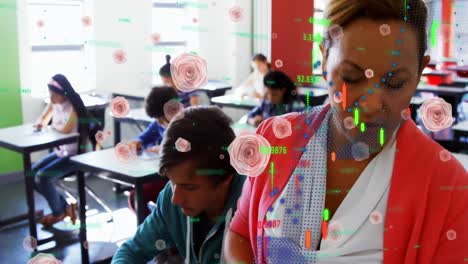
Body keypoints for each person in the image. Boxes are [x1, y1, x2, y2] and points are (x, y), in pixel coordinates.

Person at [224, 0, 467, 263]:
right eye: (351, 78)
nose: (372, 105)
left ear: (420, 72)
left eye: (395, 83)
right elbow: (241, 232)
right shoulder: (276, 138)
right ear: (324, 59)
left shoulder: (448, 187)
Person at [112, 106, 246, 264]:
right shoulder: (171, 195)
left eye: (190, 187)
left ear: (226, 178)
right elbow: (131, 251)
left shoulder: (254, 209)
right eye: (173, 182)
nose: (176, 199)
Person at [32, 74, 87, 227]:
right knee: (31, 173)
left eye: (54, 95)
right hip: (61, 151)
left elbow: (66, 129)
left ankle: (58, 213)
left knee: (42, 177)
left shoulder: (73, 107)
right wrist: (40, 124)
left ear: (63, 94)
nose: (51, 99)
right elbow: (43, 118)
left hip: (75, 156)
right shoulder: (54, 103)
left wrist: (49, 128)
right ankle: (65, 208)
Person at [127, 86, 179, 217]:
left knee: (137, 196)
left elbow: (177, 151)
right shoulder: (159, 122)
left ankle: (154, 228)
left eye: (160, 118)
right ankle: (152, 228)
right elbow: (144, 137)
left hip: (176, 177)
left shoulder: (183, 123)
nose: (158, 122)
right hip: (163, 173)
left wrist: (160, 149)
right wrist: (137, 142)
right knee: (135, 197)